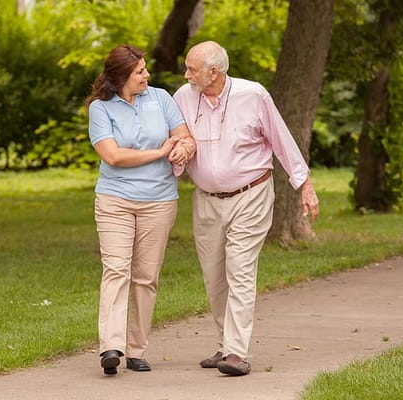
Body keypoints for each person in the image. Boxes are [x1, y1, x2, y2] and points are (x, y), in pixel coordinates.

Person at [172, 41, 319, 376]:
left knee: (239, 269)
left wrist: (304, 184)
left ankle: (237, 352)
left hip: (250, 195)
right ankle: (225, 345)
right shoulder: (183, 96)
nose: (186, 74)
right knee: (213, 276)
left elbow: (281, 139)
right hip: (207, 199)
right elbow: (178, 139)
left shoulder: (253, 95)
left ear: (214, 71)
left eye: (191, 69)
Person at [85, 45, 196, 376]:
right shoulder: (100, 109)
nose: (147, 75)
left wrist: (183, 149)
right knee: (117, 270)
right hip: (115, 200)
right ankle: (110, 346)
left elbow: (184, 137)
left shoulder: (161, 99)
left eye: (145, 69)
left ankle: (136, 349)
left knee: (146, 277)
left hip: (159, 201)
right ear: (121, 78)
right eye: (140, 72)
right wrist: (160, 152)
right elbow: (113, 156)